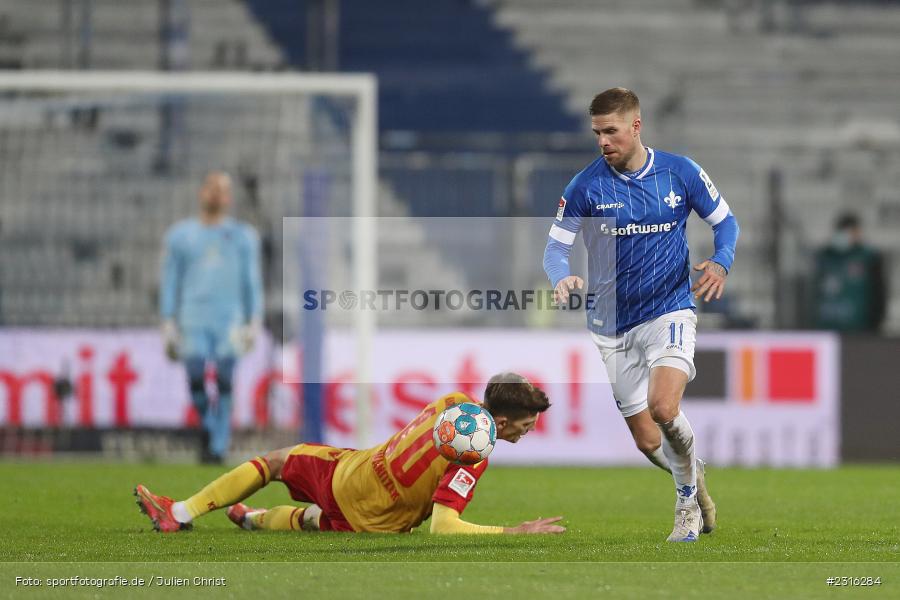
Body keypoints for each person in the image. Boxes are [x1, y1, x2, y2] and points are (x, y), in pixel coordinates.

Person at [542, 88, 740, 542]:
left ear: (635, 126)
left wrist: (721, 261)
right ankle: (694, 475)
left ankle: (686, 505)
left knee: (664, 407)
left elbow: (726, 222)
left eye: (610, 131)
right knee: (649, 441)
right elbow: (556, 247)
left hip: (669, 310)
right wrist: (560, 276)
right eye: (597, 133)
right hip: (611, 325)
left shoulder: (679, 172)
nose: (602, 141)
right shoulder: (585, 187)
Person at [134, 373, 564, 535]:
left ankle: (195, 511)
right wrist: (514, 532)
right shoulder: (473, 457)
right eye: (527, 424)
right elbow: (443, 527)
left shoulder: (451, 403)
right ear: (501, 422)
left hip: (354, 477)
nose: (529, 431)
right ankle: (198, 516)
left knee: (277, 464)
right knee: (312, 520)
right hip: (376, 522)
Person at [159, 171, 264, 464]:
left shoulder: (243, 236)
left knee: (224, 378)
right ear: (201, 192)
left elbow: (251, 281)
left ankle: (218, 444)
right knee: (195, 377)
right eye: (212, 187)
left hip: (229, 319)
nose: (216, 193)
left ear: (228, 198)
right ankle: (209, 425)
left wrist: (254, 319)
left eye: (222, 189)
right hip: (192, 317)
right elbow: (170, 280)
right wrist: (167, 320)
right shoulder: (180, 236)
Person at [812, 212, 887, 333]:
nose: (845, 236)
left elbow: (879, 293)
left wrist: (876, 324)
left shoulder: (870, 257)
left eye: (850, 231)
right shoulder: (823, 256)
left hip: (859, 329)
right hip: (826, 327)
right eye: (842, 231)